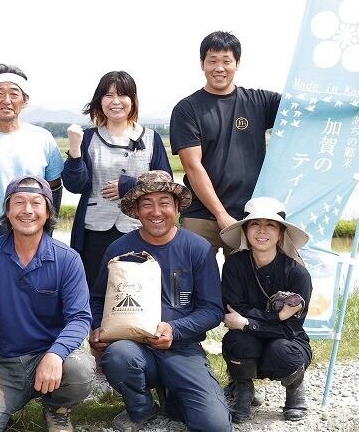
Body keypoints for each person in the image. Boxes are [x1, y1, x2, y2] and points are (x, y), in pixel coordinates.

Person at [90, 170, 232, 432]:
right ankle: (142, 409)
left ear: (177, 207)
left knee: (215, 426)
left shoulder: (197, 248)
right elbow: (98, 299)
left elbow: (213, 310)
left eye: (164, 203)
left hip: (182, 348)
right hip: (133, 347)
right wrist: (98, 328)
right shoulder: (119, 249)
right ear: (136, 211)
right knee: (118, 356)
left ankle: (174, 394)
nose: (156, 212)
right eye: (147, 204)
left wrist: (174, 330)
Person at [0, 176, 95, 432]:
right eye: (18, 202)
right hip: (3, 365)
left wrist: (56, 353)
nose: (27, 210)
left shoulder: (68, 259)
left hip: (48, 357)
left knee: (80, 370)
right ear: (7, 210)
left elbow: (80, 318)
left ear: (48, 212)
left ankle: (57, 408)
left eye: (36, 203)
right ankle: (5, 409)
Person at [169, 31, 281, 254]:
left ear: (237, 63)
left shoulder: (260, 102)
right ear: (202, 64)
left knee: (245, 276)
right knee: (192, 275)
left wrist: (355, 101)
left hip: (248, 215)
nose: (219, 68)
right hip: (200, 215)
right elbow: (192, 166)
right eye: (212, 61)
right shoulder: (187, 109)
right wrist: (220, 214)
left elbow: (306, 106)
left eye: (226, 61)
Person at [63, 70, 172, 290]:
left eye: (122, 95)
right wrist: (75, 150)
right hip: (95, 230)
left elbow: (166, 183)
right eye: (108, 95)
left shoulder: (151, 138)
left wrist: (130, 185)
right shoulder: (88, 137)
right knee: (95, 290)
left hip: (138, 228)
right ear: (99, 100)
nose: (115, 101)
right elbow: (75, 185)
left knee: (135, 292)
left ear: (133, 100)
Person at [219, 197, 312, 423]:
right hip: (247, 338)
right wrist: (276, 316)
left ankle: (295, 391)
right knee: (236, 342)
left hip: (288, 340)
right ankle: (243, 391)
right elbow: (233, 309)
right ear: (245, 230)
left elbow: (289, 329)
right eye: (254, 224)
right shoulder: (234, 265)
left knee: (282, 350)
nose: (262, 231)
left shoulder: (297, 274)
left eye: (270, 225)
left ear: (281, 233)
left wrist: (248, 323)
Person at [0, 64, 64, 244]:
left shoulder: (43, 139)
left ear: (25, 100)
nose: (6, 100)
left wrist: (48, 233)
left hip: (35, 231)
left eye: (14, 94)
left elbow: (54, 188)